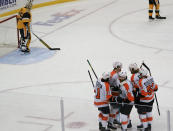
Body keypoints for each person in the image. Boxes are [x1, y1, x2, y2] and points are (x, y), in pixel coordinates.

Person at [108, 61, 122, 129]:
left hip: (117, 93)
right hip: (114, 94)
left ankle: (115, 120)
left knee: (118, 108)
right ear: (116, 67)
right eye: (119, 67)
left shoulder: (116, 73)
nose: (121, 68)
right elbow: (110, 85)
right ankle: (110, 122)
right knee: (114, 108)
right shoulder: (114, 75)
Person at [129, 63, 142, 128]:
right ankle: (146, 121)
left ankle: (143, 123)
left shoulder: (133, 77)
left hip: (138, 94)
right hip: (146, 93)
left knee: (140, 109)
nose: (130, 71)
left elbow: (133, 87)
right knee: (144, 108)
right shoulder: (141, 72)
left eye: (130, 69)